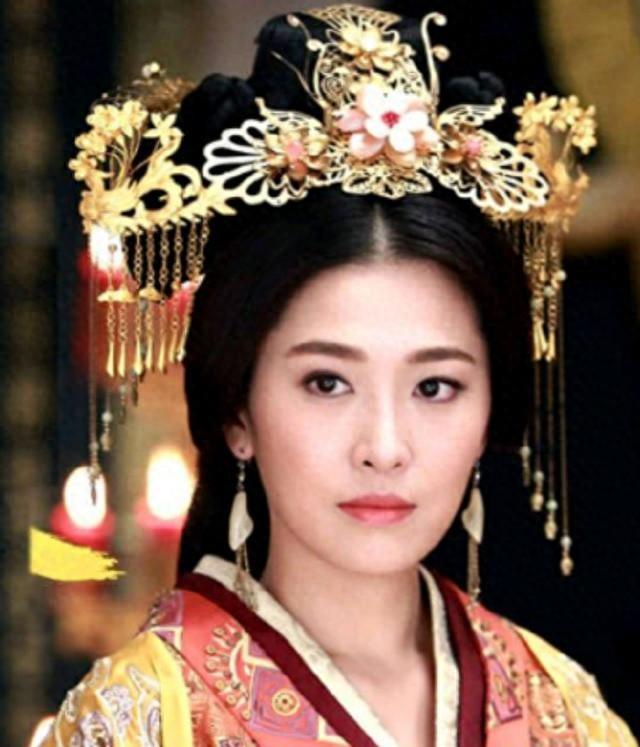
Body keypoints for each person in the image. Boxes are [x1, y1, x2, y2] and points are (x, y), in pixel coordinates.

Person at [36, 4, 637, 746]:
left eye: (435, 387)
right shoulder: (141, 717)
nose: (384, 447)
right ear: (238, 412)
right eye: (327, 382)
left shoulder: (565, 710)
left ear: (490, 410)